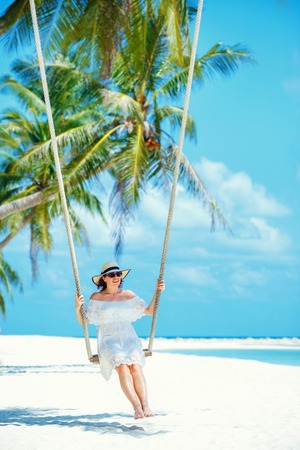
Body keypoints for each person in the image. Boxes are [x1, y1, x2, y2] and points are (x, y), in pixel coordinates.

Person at [75, 261, 165, 420]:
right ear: (104, 278)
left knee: (136, 368)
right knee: (123, 368)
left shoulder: (128, 295)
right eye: (111, 275)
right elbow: (85, 322)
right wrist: (77, 307)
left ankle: (146, 405)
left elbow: (150, 311)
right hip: (108, 339)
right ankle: (137, 408)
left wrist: (157, 292)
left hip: (128, 337)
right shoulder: (96, 298)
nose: (116, 277)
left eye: (118, 274)